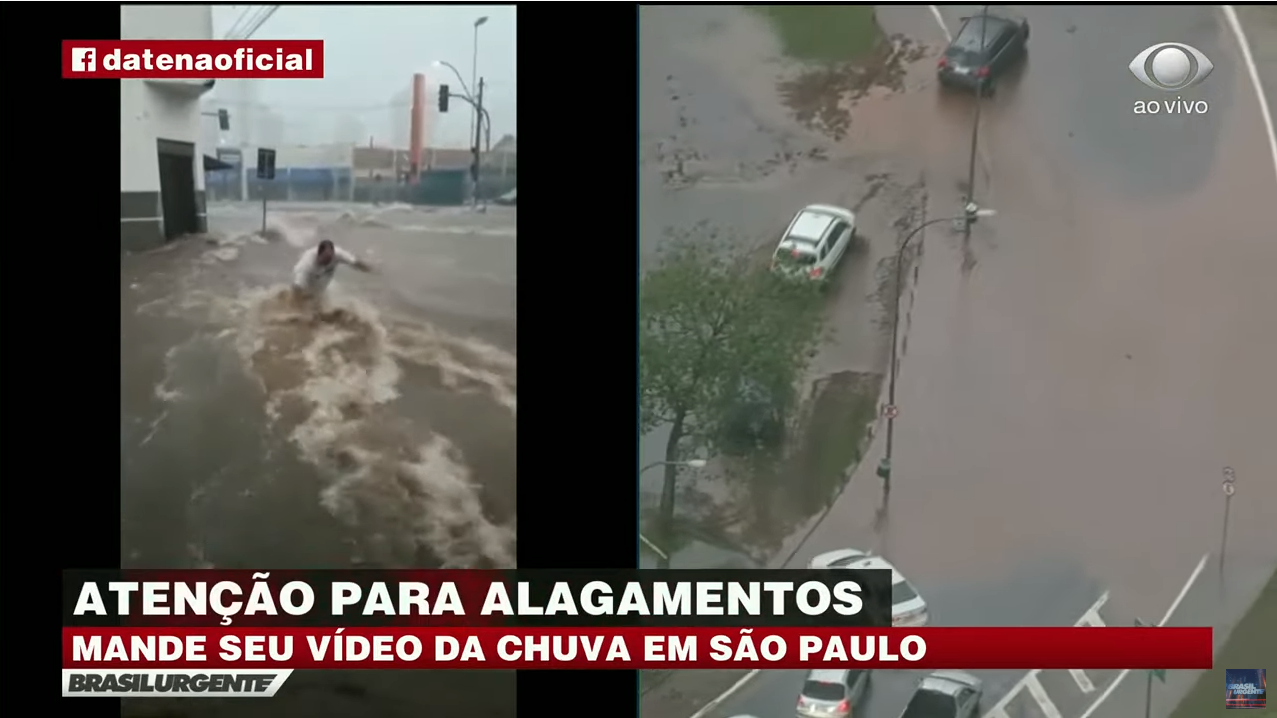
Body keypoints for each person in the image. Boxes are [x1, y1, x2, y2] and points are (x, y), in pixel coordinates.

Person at [291, 239, 372, 305]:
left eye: (330, 258)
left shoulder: (338, 254)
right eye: (325, 258)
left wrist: (371, 270)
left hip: (321, 283)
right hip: (307, 283)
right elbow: (297, 288)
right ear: (318, 254)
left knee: (321, 303)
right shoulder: (306, 265)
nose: (328, 261)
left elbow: (355, 263)